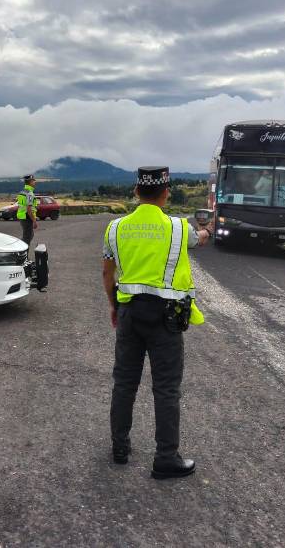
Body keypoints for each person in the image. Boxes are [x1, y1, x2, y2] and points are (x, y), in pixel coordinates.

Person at [102, 166, 212, 479]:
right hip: (166, 319)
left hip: (128, 314)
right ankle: (166, 458)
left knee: (124, 383)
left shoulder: (115, 228)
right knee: (165, 388)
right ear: (166, 193)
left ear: (136, 193)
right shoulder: (178, 228)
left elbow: (107, 274)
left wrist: (114, 306)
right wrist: (207, 229)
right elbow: (199, 238)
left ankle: (119, 447)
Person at [17, 174, 38, 246]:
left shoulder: (22, 192)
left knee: (29, 235)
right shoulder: (30, 194)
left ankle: (19, 248)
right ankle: (23, 256)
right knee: (27, 239)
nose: (35, 182)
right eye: (34, 180)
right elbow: (29, 209)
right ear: (30, 182)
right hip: (27, 217)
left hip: (22, 216)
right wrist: (34, 220)